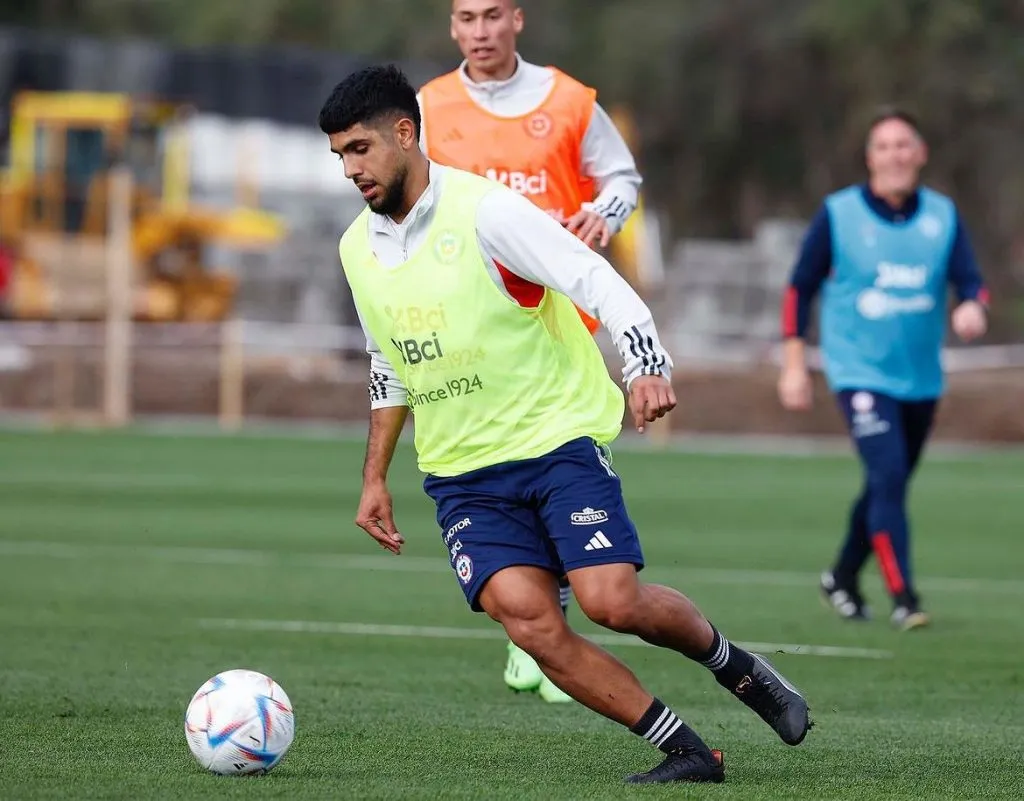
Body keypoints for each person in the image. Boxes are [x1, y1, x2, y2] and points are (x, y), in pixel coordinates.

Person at [321, 64, 810, 785]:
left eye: (359, 148)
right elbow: (388, 364)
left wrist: (645, 362)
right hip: (461, 474)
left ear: (404, 132)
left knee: (610, 601)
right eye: (339, 156)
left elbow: (593, 277)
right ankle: (687, 751)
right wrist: (373, 478)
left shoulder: (486, 212)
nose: (350, 169)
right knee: (532, 625)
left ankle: (735, 665)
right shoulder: (355, 249)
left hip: (553, 442)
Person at [417, 0, 644, 703]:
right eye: (465, 17)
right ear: (451, 26)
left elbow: (622, 179)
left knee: (560, 453)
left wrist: (602, 215)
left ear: (518, 19)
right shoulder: (428, 107)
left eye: (491, 15)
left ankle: (553, 619)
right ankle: (538, 626)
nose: (479, 31)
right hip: (471, 324)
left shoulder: (569, 101)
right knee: (495, 462)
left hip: (559, 317)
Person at [778, 106, 989, 631]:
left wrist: (973, 306)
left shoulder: (943, 215)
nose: (894, 155)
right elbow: (798, 288)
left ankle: (842, 576)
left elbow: (971, 280)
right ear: (869, 157)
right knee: (889, 475)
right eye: (883, 146)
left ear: (920, 154)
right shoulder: (840, 213)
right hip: (859, 374)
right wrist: (794, 363)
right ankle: (905, 597)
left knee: (884, 484)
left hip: (920, 378)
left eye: (903, 145)